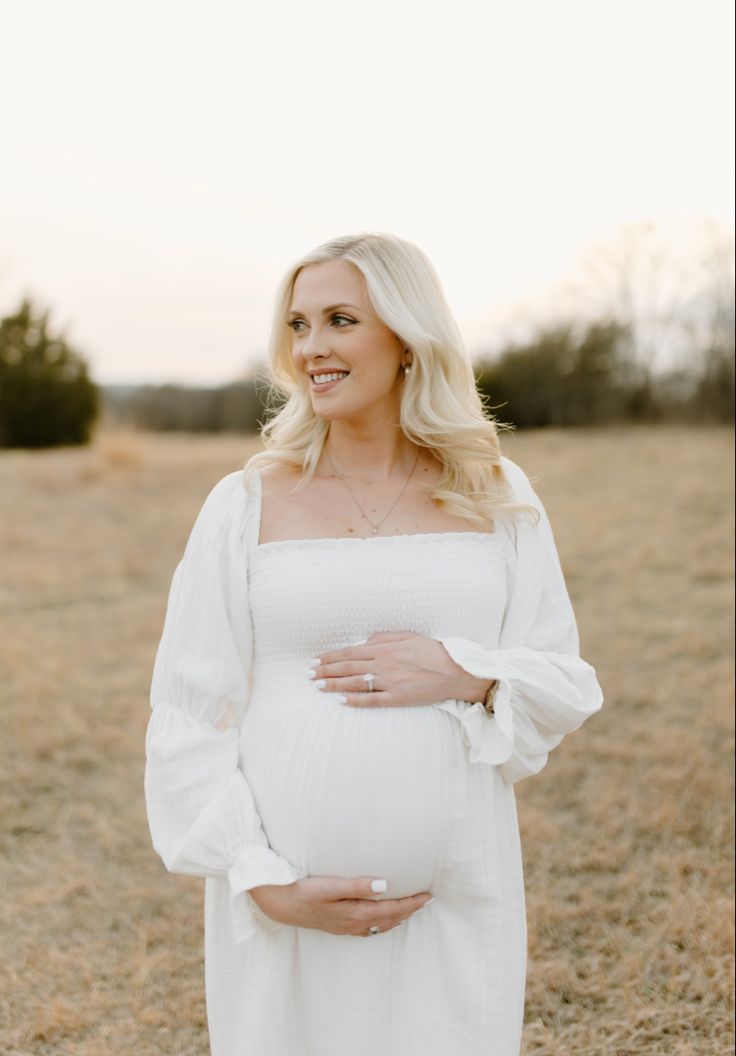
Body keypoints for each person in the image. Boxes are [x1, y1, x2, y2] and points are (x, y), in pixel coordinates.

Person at [144, 232, 603, 1056]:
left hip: (454, 894)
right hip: (287, 908)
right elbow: (188, 709)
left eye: (340, 320)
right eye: (298, 324)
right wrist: (262, 878)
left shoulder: (493, 492)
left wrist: (469, 672)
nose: (311, 347)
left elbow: (561, 677)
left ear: (405, 340)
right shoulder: (244, 502)